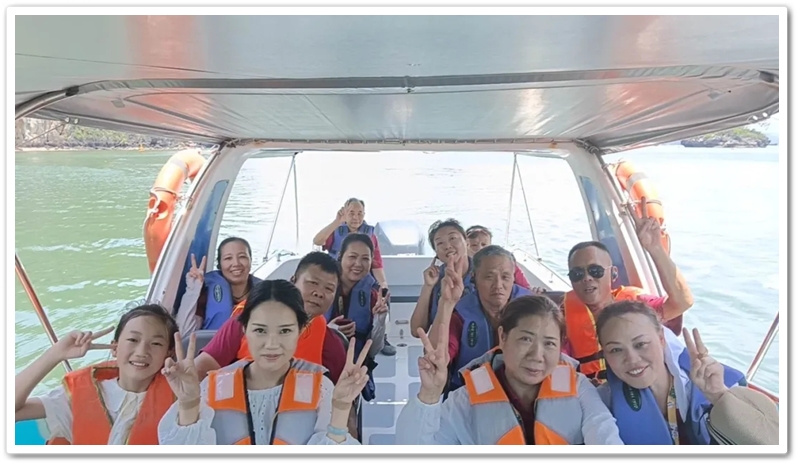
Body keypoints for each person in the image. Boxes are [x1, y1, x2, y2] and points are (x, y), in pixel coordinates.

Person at [158, 279, 370, 445]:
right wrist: (189, 404)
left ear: (300, 331)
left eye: (285, 331)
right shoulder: (210, 388)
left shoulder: (322, 389)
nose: (272, 344)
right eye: (260, 330)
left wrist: (341, 408)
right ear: (244, 330)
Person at [395, 294, 623, 445]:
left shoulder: (579, 388)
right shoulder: (465, 400)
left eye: (549, 343)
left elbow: (604, 434)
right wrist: (430, 395)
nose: (537, 355)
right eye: (525, 339)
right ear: (502, 337)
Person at [552, 198, 694, 383]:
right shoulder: (560, 317)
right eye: (577, 274)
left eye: (595, 271)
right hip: (592, 392)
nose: (587, 278)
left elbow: (682, 302)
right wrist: (577, 389)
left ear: (613, 274)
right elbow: (558, 371)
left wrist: (655, 249)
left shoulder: (636, 304)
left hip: (642, 384)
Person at [15, 304, 179, 444]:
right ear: (114, 347)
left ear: (169, 353)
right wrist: (55, 354)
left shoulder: (180, 398)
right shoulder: (76, 395)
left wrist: (189, 401)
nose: (142, 351)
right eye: (133, 340)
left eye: (156, 343)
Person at [595, 300, 747, 445]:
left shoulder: (712, 384)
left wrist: (718, 396)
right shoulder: (600, 404)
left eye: (641, 344)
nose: (632, 359)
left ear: (661, 339)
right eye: (616, 350)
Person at [195, 252, 346, 383]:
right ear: (293, 280)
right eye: (313, 283)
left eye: (329, 288)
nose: (319, 293)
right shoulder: (248, 318)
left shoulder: (331, 345)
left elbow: (340, 395)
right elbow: (203, 367)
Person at [430, 245, 532, 393]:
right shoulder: (460, 314)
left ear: (513, 278)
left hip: (521, 394)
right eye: (489, 277)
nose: (498, 285)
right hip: (469, 395)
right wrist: (446, 303)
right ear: (474, 277)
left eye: (505, 277)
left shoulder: (535, 310)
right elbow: (435, 358)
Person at [312, 198, 395, 356]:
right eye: (351, 213)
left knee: (383, 295)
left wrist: (383, 284)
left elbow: (376, 263)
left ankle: (383, 337)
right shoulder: (335, 231)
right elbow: (317, 241)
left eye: (359, 213)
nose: (356, 217)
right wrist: (337, 221)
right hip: (336, 276)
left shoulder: (370, 236)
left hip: (363, 281)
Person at [325, 233, 389, 402]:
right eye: (352, 257)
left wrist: (380, 320)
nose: (358, 264)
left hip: (354, 369)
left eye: (365, 259)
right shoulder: (323, 288)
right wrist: (329, 332)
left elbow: (374, 349)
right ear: (340, 256)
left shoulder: (374, 295)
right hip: (320, 364)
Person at [175, 237, 261, 333]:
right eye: (228, 258)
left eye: (242, 257)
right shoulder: (206, 294)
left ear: (250, 260)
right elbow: (184, 333)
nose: (236, 263)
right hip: (212, 342)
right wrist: (193, 290)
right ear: (219, 264)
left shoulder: (264, 293)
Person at [410, 218, 474, 334]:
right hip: (441, 343)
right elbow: (417, 330)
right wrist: (428, 287)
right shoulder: (436, 278)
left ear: (467, 242)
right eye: (440, 243)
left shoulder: (484, 272)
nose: (447, 246)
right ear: (437, 254)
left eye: (453, 238)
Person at [465, 225, 531, 289]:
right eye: (474, 245)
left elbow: (525, 288)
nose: (479, 248)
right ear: (466, 247)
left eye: (484, 244)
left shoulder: (508, 263)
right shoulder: (462, 266)